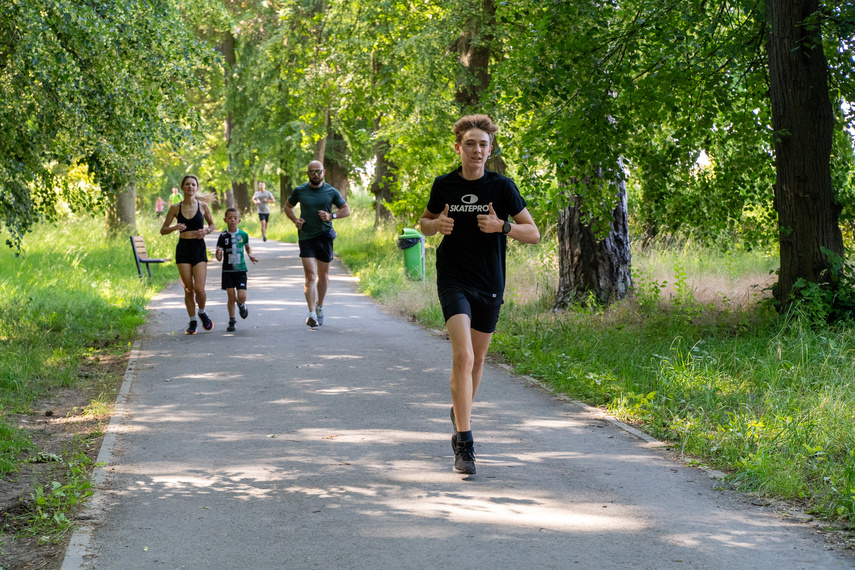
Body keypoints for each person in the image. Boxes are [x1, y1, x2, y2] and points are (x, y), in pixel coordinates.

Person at [419, 114, 540, 475]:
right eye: (469, 143)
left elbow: (532, 233)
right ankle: (465, 444)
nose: (476, 150)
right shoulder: (443, 185)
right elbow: (422, 224)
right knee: (463, 355)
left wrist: (502, 226)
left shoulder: (502, 188)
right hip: (453, 278)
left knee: (479, 359)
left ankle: (459, 413)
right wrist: (435, 225)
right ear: (458, 147)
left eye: (482, 144)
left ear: (490, 150)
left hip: (489, 281)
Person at [283, 161, 351, 328]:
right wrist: (294, 220)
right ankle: (312, 313)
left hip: (324, 236)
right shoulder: (300, 190)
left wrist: (331, 216)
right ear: (307, 173)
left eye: (318, 171)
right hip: (306, 237)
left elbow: (346, 210)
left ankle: (320, 306)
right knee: (310, 276)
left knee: (323, 276)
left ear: (323, 172)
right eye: (312, 172)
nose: (315, 174)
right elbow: (288, 206)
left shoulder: (331, 191)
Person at [160, 174, 217, 335]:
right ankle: (192, 321)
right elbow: (163, 230)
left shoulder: (203, 206)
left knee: (199, 289)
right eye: (187, 184)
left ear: (196, 188)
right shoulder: (175, 208)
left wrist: (206, 230)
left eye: (193, 184)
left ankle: (202, 312)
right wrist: (174, 227)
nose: (190, 187)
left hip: (199, 248)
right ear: (183, 187)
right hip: (183, 248)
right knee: (188, 289)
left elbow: (212, 225)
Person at [216, 208, 258, 332]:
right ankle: (232, 320)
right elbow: (219, 258)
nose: (232, 220)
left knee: (242, 296)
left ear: (239, 220)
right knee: (230, 296)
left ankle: (241, 304)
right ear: (225, 220)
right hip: (227, 272)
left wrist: (250, 255)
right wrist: (218, 254)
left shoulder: (243, 235)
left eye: (235, 218)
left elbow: (248, 247)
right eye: (229, 218)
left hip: (240, 271)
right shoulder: (223, 236)